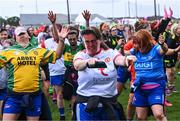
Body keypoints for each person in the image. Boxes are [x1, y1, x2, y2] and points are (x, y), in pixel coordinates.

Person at [0, 26, 68, 121]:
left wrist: (61, 40)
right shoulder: (8, 51)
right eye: (19, 34)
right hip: (14, 96)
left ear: (28, 36)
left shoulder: (38, 50)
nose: (22, 36)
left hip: (34, 95)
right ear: (15, 38)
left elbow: (57, 55)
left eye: (23, 33)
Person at [72, 26, 136, 120]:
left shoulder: (110, 53)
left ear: (99, 40)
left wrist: (127, 60)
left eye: (93, 41)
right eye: (87, 42)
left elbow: (120, 60)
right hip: (86, 106)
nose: (90, 44)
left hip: (108, 105)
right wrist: (87, 62)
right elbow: (77, 65)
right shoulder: (81, 55)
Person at [131, 29, 168, 121]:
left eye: (141, 43)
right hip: (140, 87)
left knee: (159, 114)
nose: (138, 46)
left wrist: (162, 44)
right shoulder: (135, 51)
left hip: (156, 86)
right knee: (140, 117)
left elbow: (164, 50)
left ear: (146, 42)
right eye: (136, 43)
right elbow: (124, 54)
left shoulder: (155, 49)